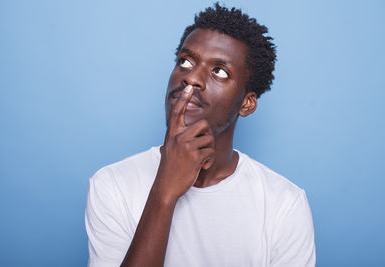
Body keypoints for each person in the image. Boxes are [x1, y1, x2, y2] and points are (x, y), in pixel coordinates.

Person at [85, 3, 316, 267]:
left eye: (219, 71)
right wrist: (164, 193)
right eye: (185, 61)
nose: (191, 77)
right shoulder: (112, 185)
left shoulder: (284, 205)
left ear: (247, 104)